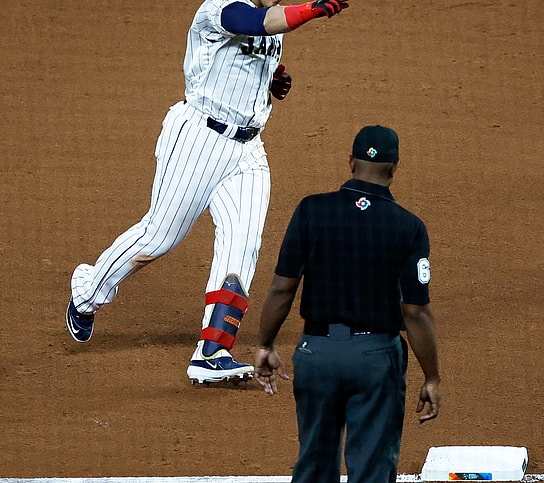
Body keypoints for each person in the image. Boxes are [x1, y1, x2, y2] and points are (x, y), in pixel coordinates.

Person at [64, 0, 350, 385]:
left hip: (248, 150)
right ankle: (88, 292)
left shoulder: (273, 16)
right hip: (198, 139)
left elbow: (253, 55)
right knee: (158, 237)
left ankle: (213, 350)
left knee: (242, 243)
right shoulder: (220, 7)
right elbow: (257, 23)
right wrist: (314, 10)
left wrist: (273, 80)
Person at [253, 125, 442, 482]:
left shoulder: (312, 210)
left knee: (313, 465)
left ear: (350, 163)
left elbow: (282, 289)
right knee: (371, 470)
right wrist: (432, 377)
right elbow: (415, 312)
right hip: (374, 360)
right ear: (394, 169)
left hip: (316, 354)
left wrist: (265, 344)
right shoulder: (409, 227)